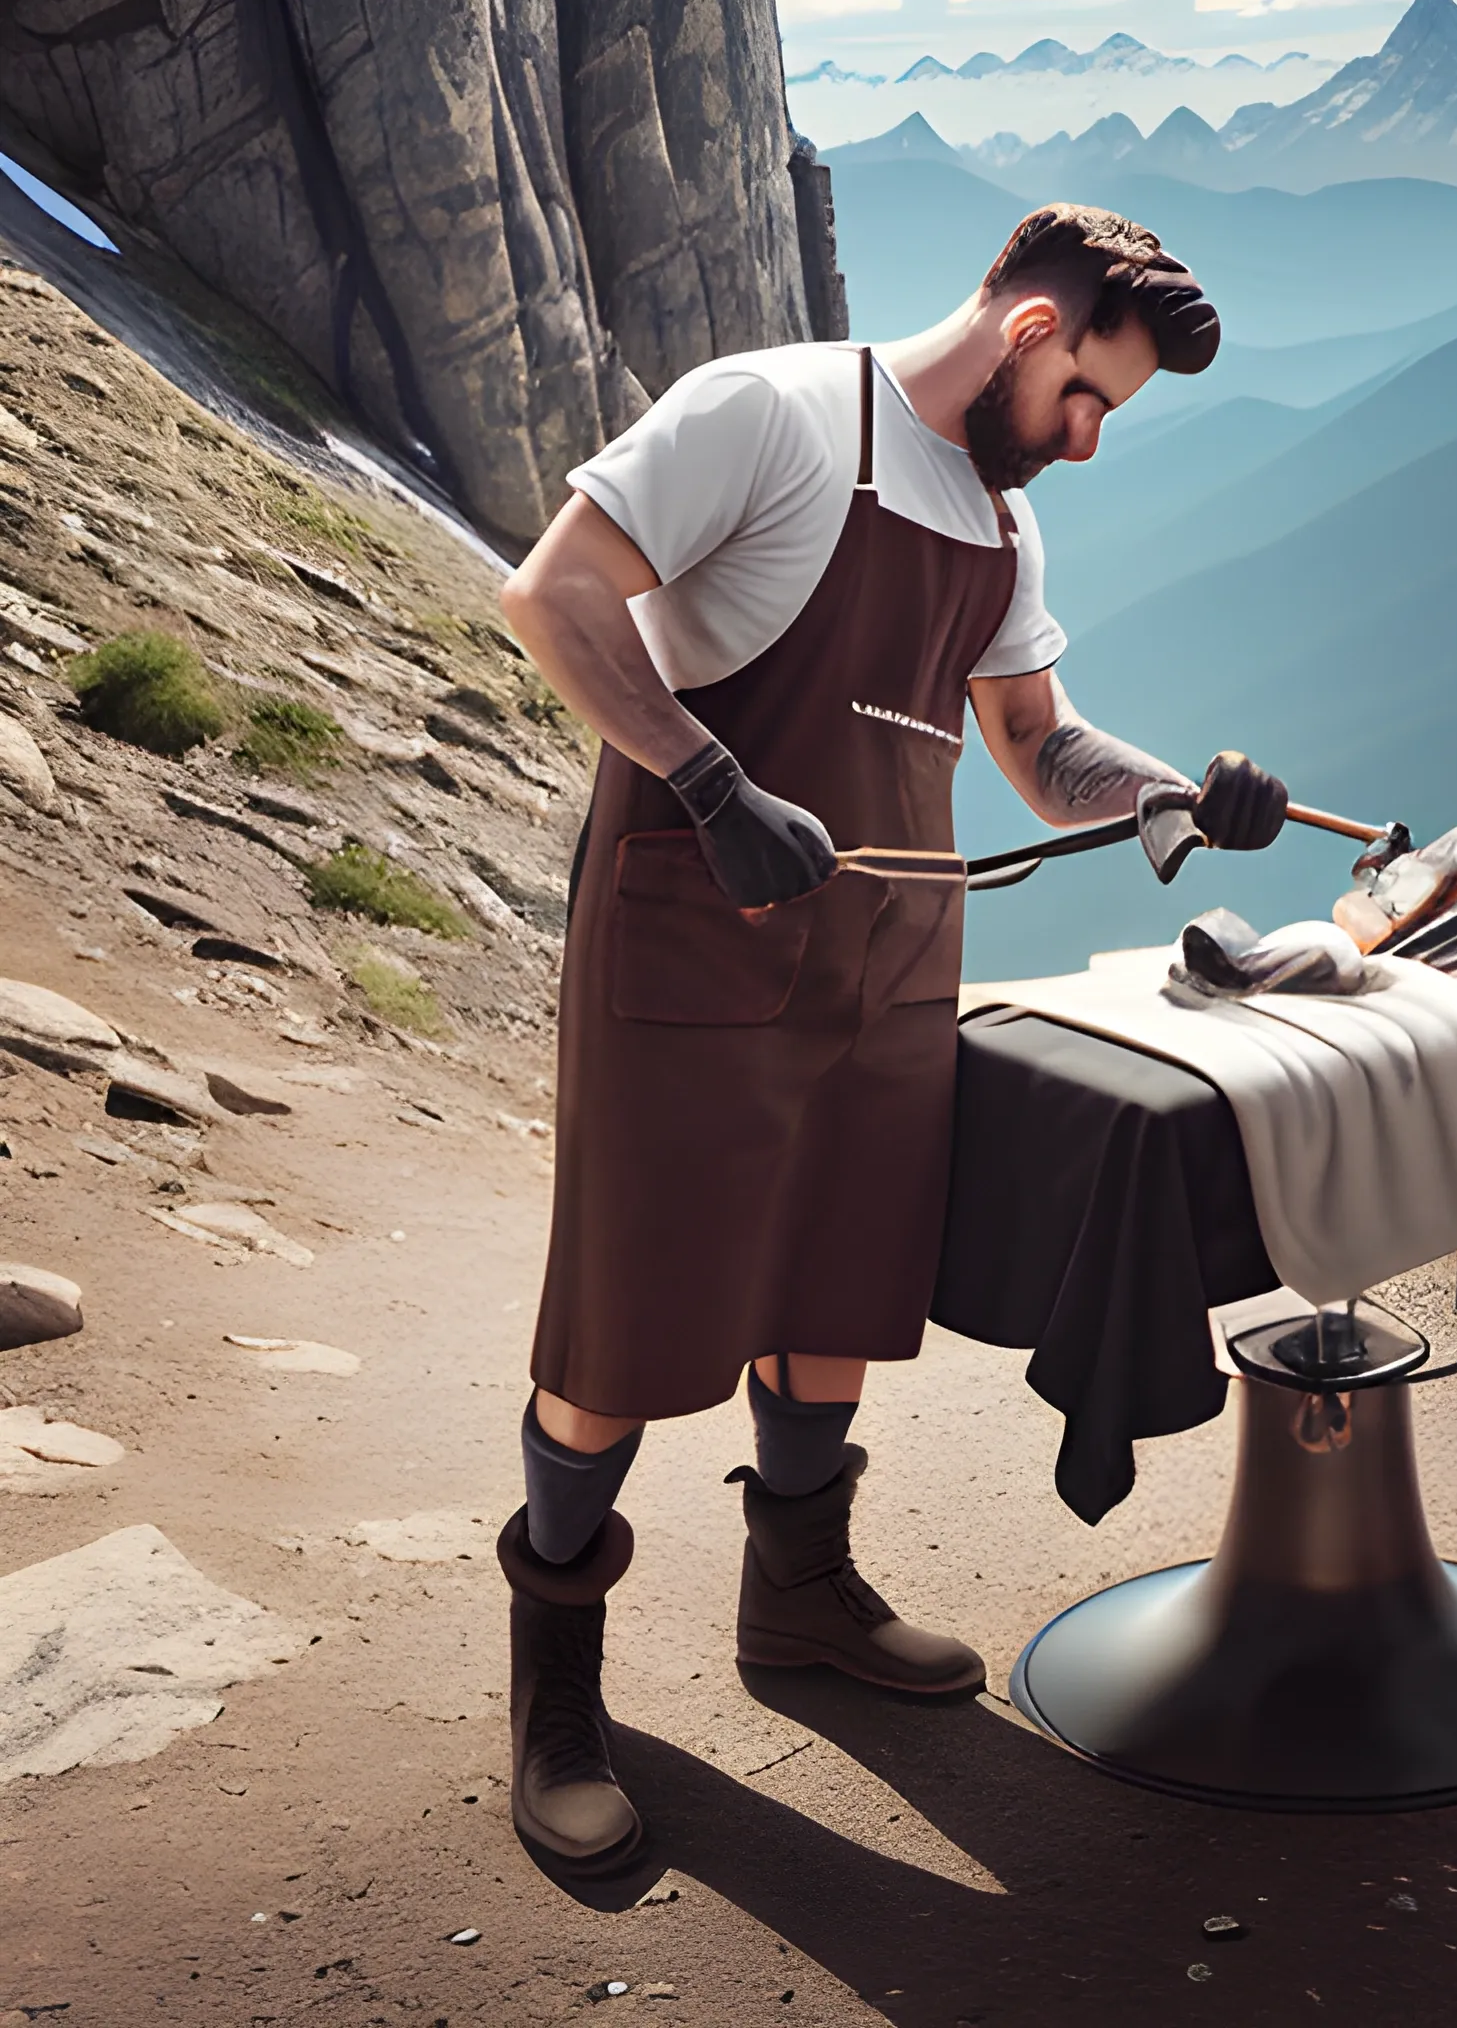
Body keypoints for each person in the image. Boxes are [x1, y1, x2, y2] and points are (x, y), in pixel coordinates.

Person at [496, 203, 1289, 1865]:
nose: (1087, 442)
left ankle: (799, 1606)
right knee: (620, 1325)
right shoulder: (767, 414)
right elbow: (552, 595)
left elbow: (1035, 744)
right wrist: (710, 784)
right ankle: (558, 1691)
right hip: (687, 942)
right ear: (1028, 332)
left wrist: (1174, 796)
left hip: (893, 958)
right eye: (1088, 398)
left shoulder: (1003, 532)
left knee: (837, 1289)